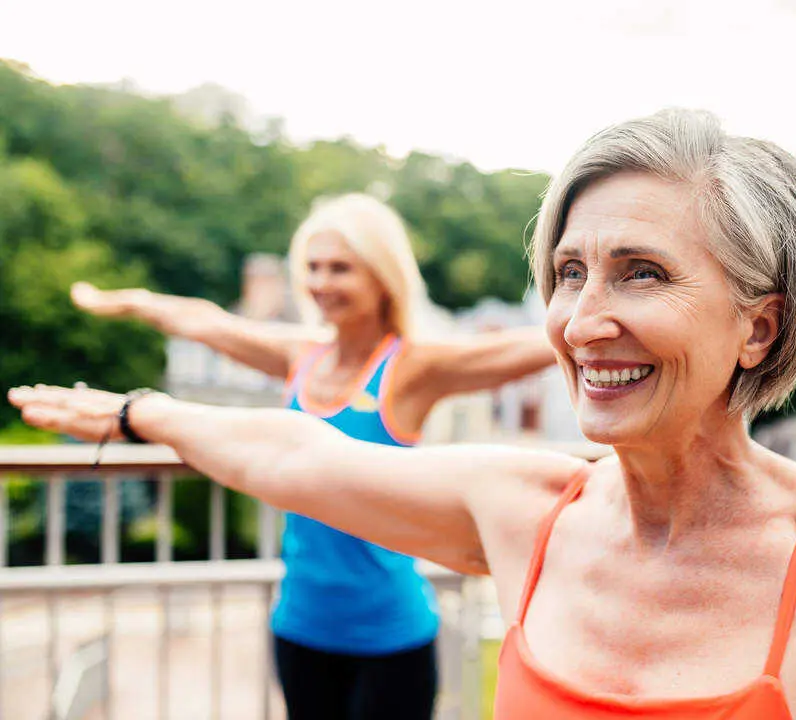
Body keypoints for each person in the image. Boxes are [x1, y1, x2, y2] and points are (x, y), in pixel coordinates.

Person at [10, 109, 796, 720]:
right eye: (568, 273)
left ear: (758, 328)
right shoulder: (525, 505)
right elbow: (292, 455)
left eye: (640, 274)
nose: (581, 319)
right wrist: (141, 412)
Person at [64, 193, 556, 720]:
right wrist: (130, 301)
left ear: (380, 276)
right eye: (313, 268)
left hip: (390, 636)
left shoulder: (412, 367)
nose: (321, 284)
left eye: (340, 268)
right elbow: (208, 322)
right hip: (300, 628)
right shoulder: (300, 355)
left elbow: (533, 346)